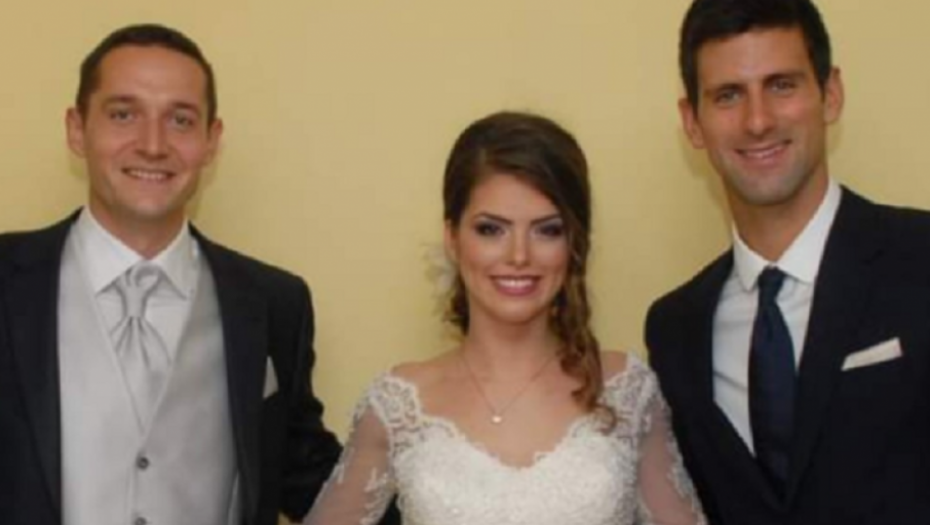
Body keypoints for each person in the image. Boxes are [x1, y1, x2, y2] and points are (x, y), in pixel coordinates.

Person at [0, 24, 343, 525]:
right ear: (77, 129)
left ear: (211, 141)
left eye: (180, 120)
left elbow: (308, 477)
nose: (153, 145)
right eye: (123, 114)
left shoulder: (275, 302)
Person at [304, 111, 706, 525]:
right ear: (452, 238)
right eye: (491, 230)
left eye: (547, 230)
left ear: (575, 242)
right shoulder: (398, 404)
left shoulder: (626, 391)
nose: (518, 256)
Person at [646, 0, 930, 523]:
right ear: (693, 122)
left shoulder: (919, 259)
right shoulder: (675, 330)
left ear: (830, 93)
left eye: (781, 85)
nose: (757, 121)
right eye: (728, 95)